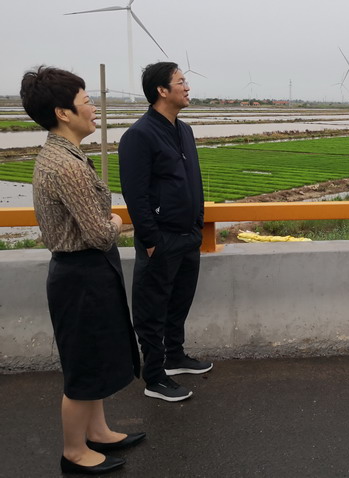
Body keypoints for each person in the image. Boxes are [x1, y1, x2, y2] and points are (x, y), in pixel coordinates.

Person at [22, 66, 144, 475]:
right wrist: (116, 221)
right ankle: (74, 452)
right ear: (63, 113)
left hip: (84, 271)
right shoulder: (67, 166)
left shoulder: (60, 154)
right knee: (84, 363)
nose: (94, 108)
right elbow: (97, 233)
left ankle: (98, 431)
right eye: (87, 101)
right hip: (82, 274)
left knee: (96, 355)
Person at [118, 62, 212, 402]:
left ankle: (175, 356)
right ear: (161, 90)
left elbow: (194, 180)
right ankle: (155, 377)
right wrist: (152, 240)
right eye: (180, 81)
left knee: (179, 301)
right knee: (152, 310)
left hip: (188, 235)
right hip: (161, 239)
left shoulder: (184, 130)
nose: (187, 87)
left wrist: (198, 222)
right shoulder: (139, 136)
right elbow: (135, 194)